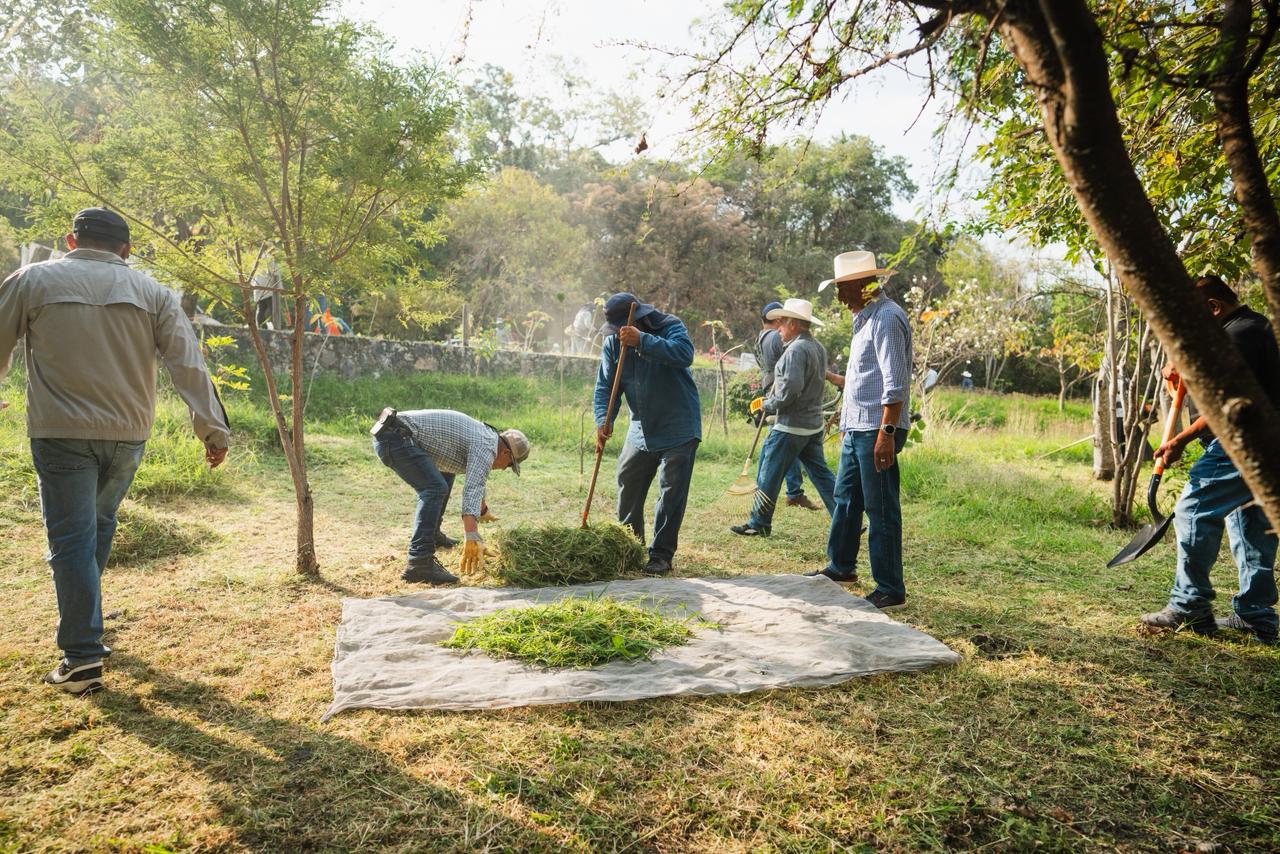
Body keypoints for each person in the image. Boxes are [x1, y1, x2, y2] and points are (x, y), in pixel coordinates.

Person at [0, 208, 231, 695]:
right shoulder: (155, 293)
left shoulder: (32, 280)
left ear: (70, 240)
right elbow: (187, 365)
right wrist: (213, 431)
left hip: (60, 433)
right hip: (128, 436)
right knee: (97, 527)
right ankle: (87, 626)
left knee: (71, 540)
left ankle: (82, 655)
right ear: (125, 250)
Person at [1140, 276, 1280, 644]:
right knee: (1250, 524)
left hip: (1241, 440)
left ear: (1213, 308)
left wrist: (1179, 441)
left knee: (1193, 509)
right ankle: (1257, 616)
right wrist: (1178, 372)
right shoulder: (1251, 327)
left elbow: (1223, 404)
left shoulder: (1239, 336)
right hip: (1266, 442)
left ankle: (1190, 606)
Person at [808, 251, 913, 610]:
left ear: (865, 285)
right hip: (857, 427)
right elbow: (863, 380)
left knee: (880, 506)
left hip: (876, 429)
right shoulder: (864, 320)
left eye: (843, 289)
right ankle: (841, 567)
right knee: (846, 499)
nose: (839, 297)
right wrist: (845, 418)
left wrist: (886, 432)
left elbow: (895, 383)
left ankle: (890, 588)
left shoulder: (886, 318)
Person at [595, 292, 701, 576]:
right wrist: (603, 420)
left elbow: (684, 355)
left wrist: (642, 341)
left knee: (671, 491)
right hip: (640, 427)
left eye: (621, 330)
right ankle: (630, 546)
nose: (618, 336)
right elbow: (607, 387)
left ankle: (661, 555)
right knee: (627, 479)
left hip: (678, 425)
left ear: (636, 319)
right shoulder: (612, 345)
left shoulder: (670, 326)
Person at [371, 407, 529, 585]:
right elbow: (473, 488)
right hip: (396, 439)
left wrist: (482, 509)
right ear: (506, 454)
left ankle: (433, 535)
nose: (502, 468)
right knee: (435, 488)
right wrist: (472, 536)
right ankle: (419, 562)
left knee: (446, 475)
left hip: (394, 434)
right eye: (508, 465)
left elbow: (476, 477)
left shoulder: (487, 437)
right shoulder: (487, 447)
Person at [731, 298, 837, 537]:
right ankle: (846, 519)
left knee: (769, 472)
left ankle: (759, 523)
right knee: (822, 475)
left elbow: (790, 392)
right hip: (812, 425)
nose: (778, 329)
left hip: (790, 426)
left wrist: (767, 405)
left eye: (781, 324)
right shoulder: (818, 347)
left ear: (793, 324)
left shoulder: (796, 350)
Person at [754, 301, 821, 511]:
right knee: (774, 450)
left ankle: (791, 493)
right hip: (783, 399)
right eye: (780, 320)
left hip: (780, 398)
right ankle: (784, 495)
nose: (781, 325)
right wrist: (771, 403)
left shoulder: (763, 338)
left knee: (779, 449)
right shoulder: (777, 337)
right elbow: (792, 377)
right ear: (777, 321)